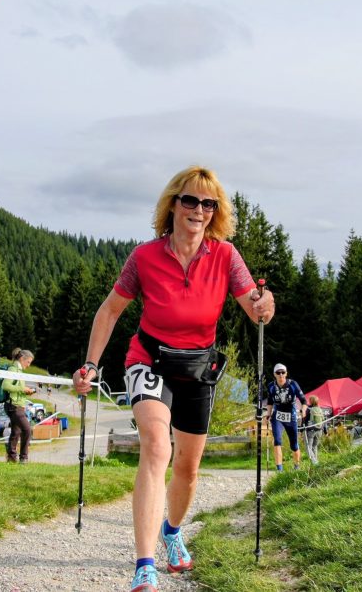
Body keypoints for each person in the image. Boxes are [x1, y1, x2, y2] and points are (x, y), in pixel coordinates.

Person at [72, 166, 275, 592]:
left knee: (188, 466)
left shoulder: (225, 255)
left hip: (198, 367)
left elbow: (253, 308)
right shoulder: (144, 257)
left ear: (214, 212)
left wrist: (264, 305)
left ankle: (172, 530)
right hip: (149, 359)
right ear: (173, 204)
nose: (198, 210)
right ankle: (144, 563)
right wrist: (91, 365)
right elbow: (109, 311)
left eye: (208, 203)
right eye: (190, 200)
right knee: (156, 446)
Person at [265, 363, 307, 471]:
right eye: (278, 373)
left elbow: (303, 400)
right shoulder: (271, 386)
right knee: (277, 440)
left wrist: (304, 410)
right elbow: (269, 401)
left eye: (283, 372)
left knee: (294, 444)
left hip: (291, 416)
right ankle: (279, 470)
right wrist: (268, 414)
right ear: (274, 374)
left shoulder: (293, 384)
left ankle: (297, 467)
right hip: (277, 416)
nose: (281, 375)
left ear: (286, 373)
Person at [2, 348, 37, 464]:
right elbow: (6, 385)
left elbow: (16, 389)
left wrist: (26, 391)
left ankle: (11, 459)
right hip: (14, 406)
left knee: (16, 432)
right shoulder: (13, 369)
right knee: (27, 429)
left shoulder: (19, 371)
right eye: (28, 362)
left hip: (18, 405)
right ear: (22, 359)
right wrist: (23, 389)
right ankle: (23, 458)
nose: (28, 365)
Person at [303, 395, 326, 466]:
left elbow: (305, 420)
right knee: (315, 446)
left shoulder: (308, 409)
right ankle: (316, 463)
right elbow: (324, 420)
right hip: (320, 430)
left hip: (310, 430)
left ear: (310, 401)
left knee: (308, 447)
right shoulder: (320, 409)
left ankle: (314, 462)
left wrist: (301, 430)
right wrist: (325, 431)